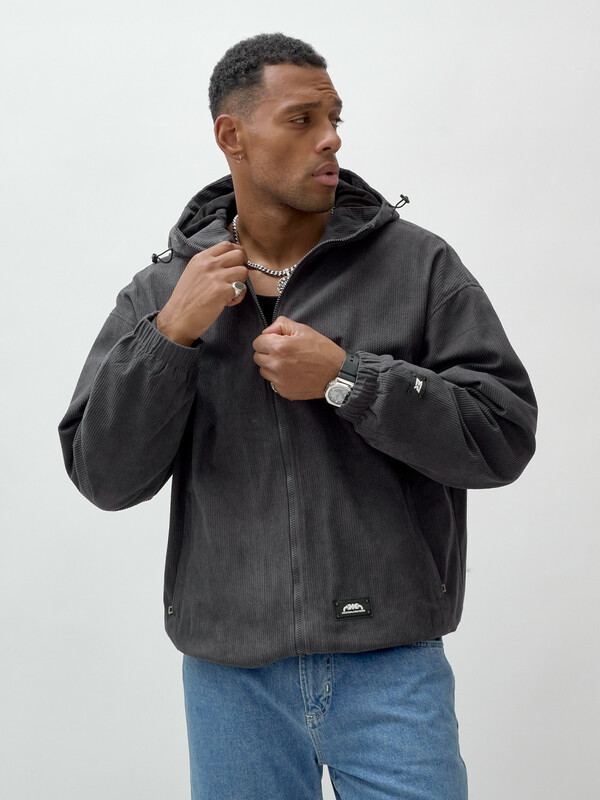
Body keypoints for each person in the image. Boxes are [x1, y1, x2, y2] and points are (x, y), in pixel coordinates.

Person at [59, 32, 537, 800]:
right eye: (302, 119)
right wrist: (170, 336)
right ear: (232, 135)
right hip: (230, 681)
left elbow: (503, 436)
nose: (331, 138)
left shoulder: (419, 267)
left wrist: (350, 378)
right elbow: (104, 478)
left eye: (335, 117)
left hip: (391, 666)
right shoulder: (162, 294)